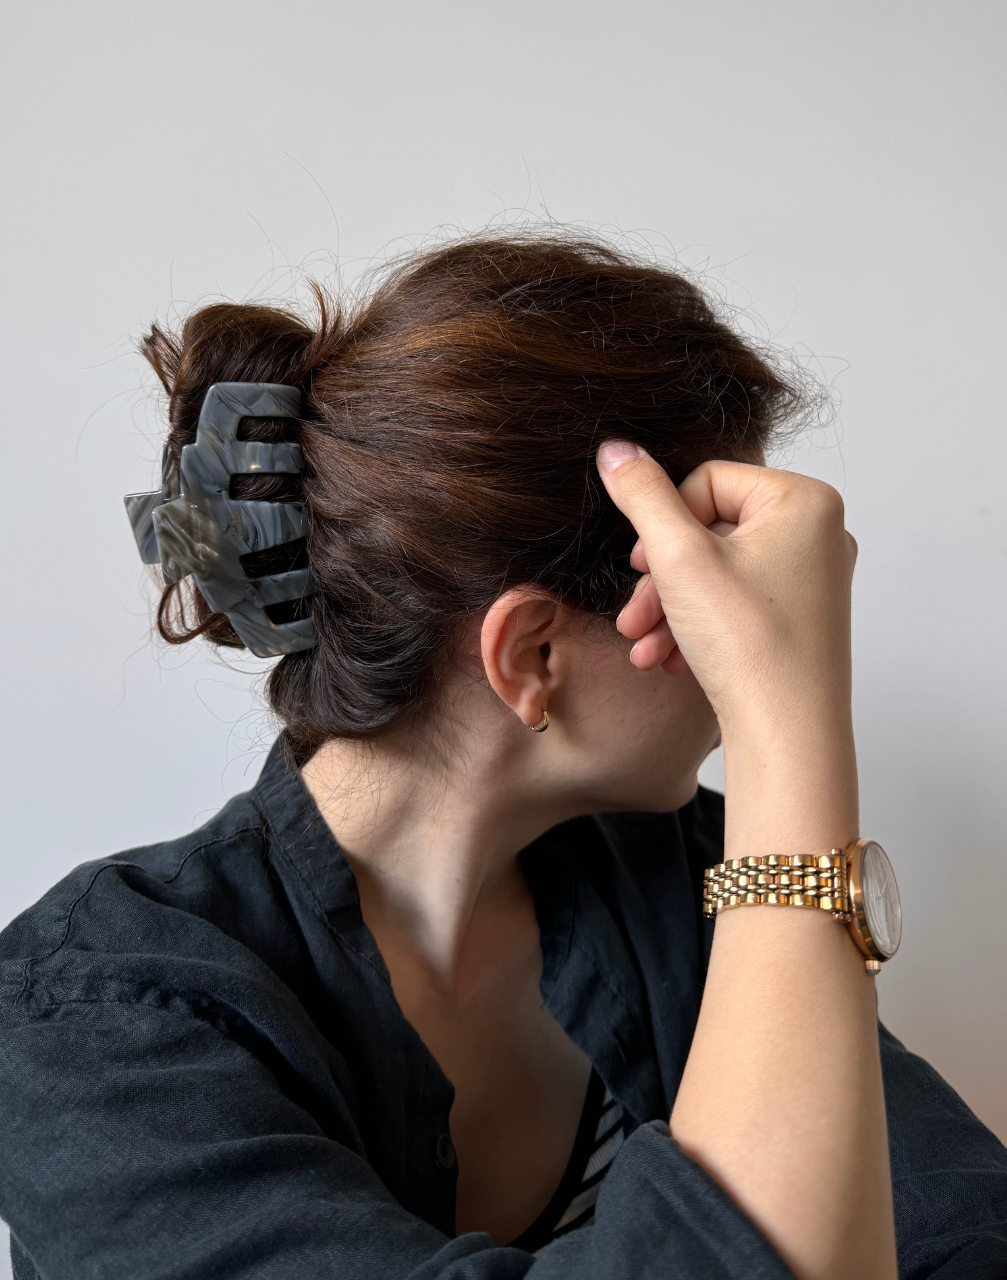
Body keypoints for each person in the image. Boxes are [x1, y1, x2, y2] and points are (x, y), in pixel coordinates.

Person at [0, 233, 1004, 1280]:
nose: (757, 642)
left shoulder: (679, 876)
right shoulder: (89, 1022)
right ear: (530, 655)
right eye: (717, 604)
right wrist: (792, 721)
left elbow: (962, 1230)